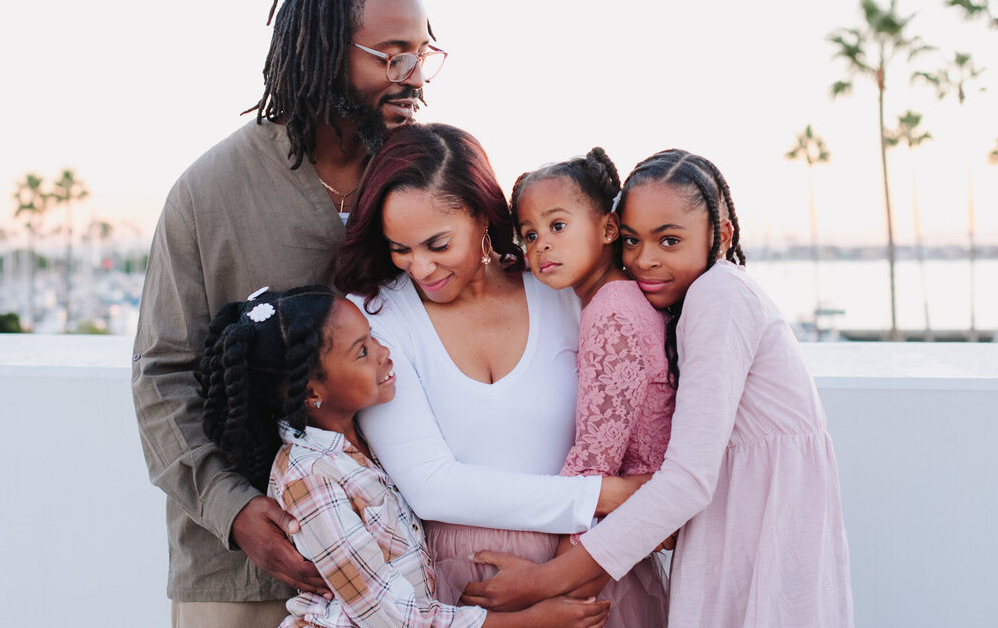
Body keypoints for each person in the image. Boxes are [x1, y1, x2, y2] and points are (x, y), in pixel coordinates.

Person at [131, 0, 448, 628]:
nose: (413, 76)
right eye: (391, 55)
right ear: (327, 52)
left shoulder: (427, 179)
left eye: (422, 53)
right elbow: (162, 376)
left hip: (405, 573)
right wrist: (233, 509)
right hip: (243, 574)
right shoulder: (208, 193)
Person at [463, 150, 855, 628]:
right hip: (744, 529)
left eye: (669, 240)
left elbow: (686, 478)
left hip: (759, 537)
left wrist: (549, 581)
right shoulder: (685, 303)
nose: (645, 260)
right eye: (633, 241)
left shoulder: (719, 295)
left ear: (722, 234)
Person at [333, 123, 646, 607]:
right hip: (470, 584)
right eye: (400, 249)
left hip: (592, 564)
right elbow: (431, 486)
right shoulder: (378, 318)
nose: (420, 268)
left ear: (482, 215)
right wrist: (603, 496)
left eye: (438, 245)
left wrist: (571, 565)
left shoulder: (560, 288)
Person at [196, 285, 611, 628]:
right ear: (311, 393)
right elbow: (388, 616)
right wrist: (532, 621)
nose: (382, 352)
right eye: (361, 352)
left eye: (373, 337)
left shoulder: (364, 442)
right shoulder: (308, 477)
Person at [509, 148, 672, 627]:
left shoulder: (612, 313)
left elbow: (593, 463)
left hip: (607, 549)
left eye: (558, 227)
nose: (541, 246)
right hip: (624, 531)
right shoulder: (613, 301)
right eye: (530, 234)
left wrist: (553, 582)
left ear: (607, 229)